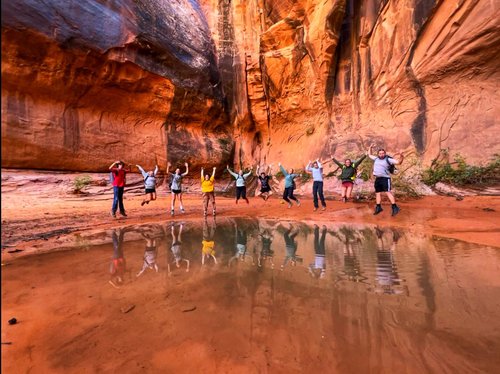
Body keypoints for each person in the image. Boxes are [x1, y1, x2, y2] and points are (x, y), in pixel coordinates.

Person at [367, 144, 404, 216]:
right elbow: (369, 155)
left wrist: (401, 156)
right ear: (378, 154)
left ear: (385, 153)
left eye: (383, 153)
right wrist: (370, 147)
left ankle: (395, 207)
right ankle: (378, 207)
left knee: (388, 192)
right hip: (377, 178)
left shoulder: (388, 159)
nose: (381, 154)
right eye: (380, 153)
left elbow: (399, 162)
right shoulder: (376, 159)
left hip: (385, 178)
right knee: (377, 193)